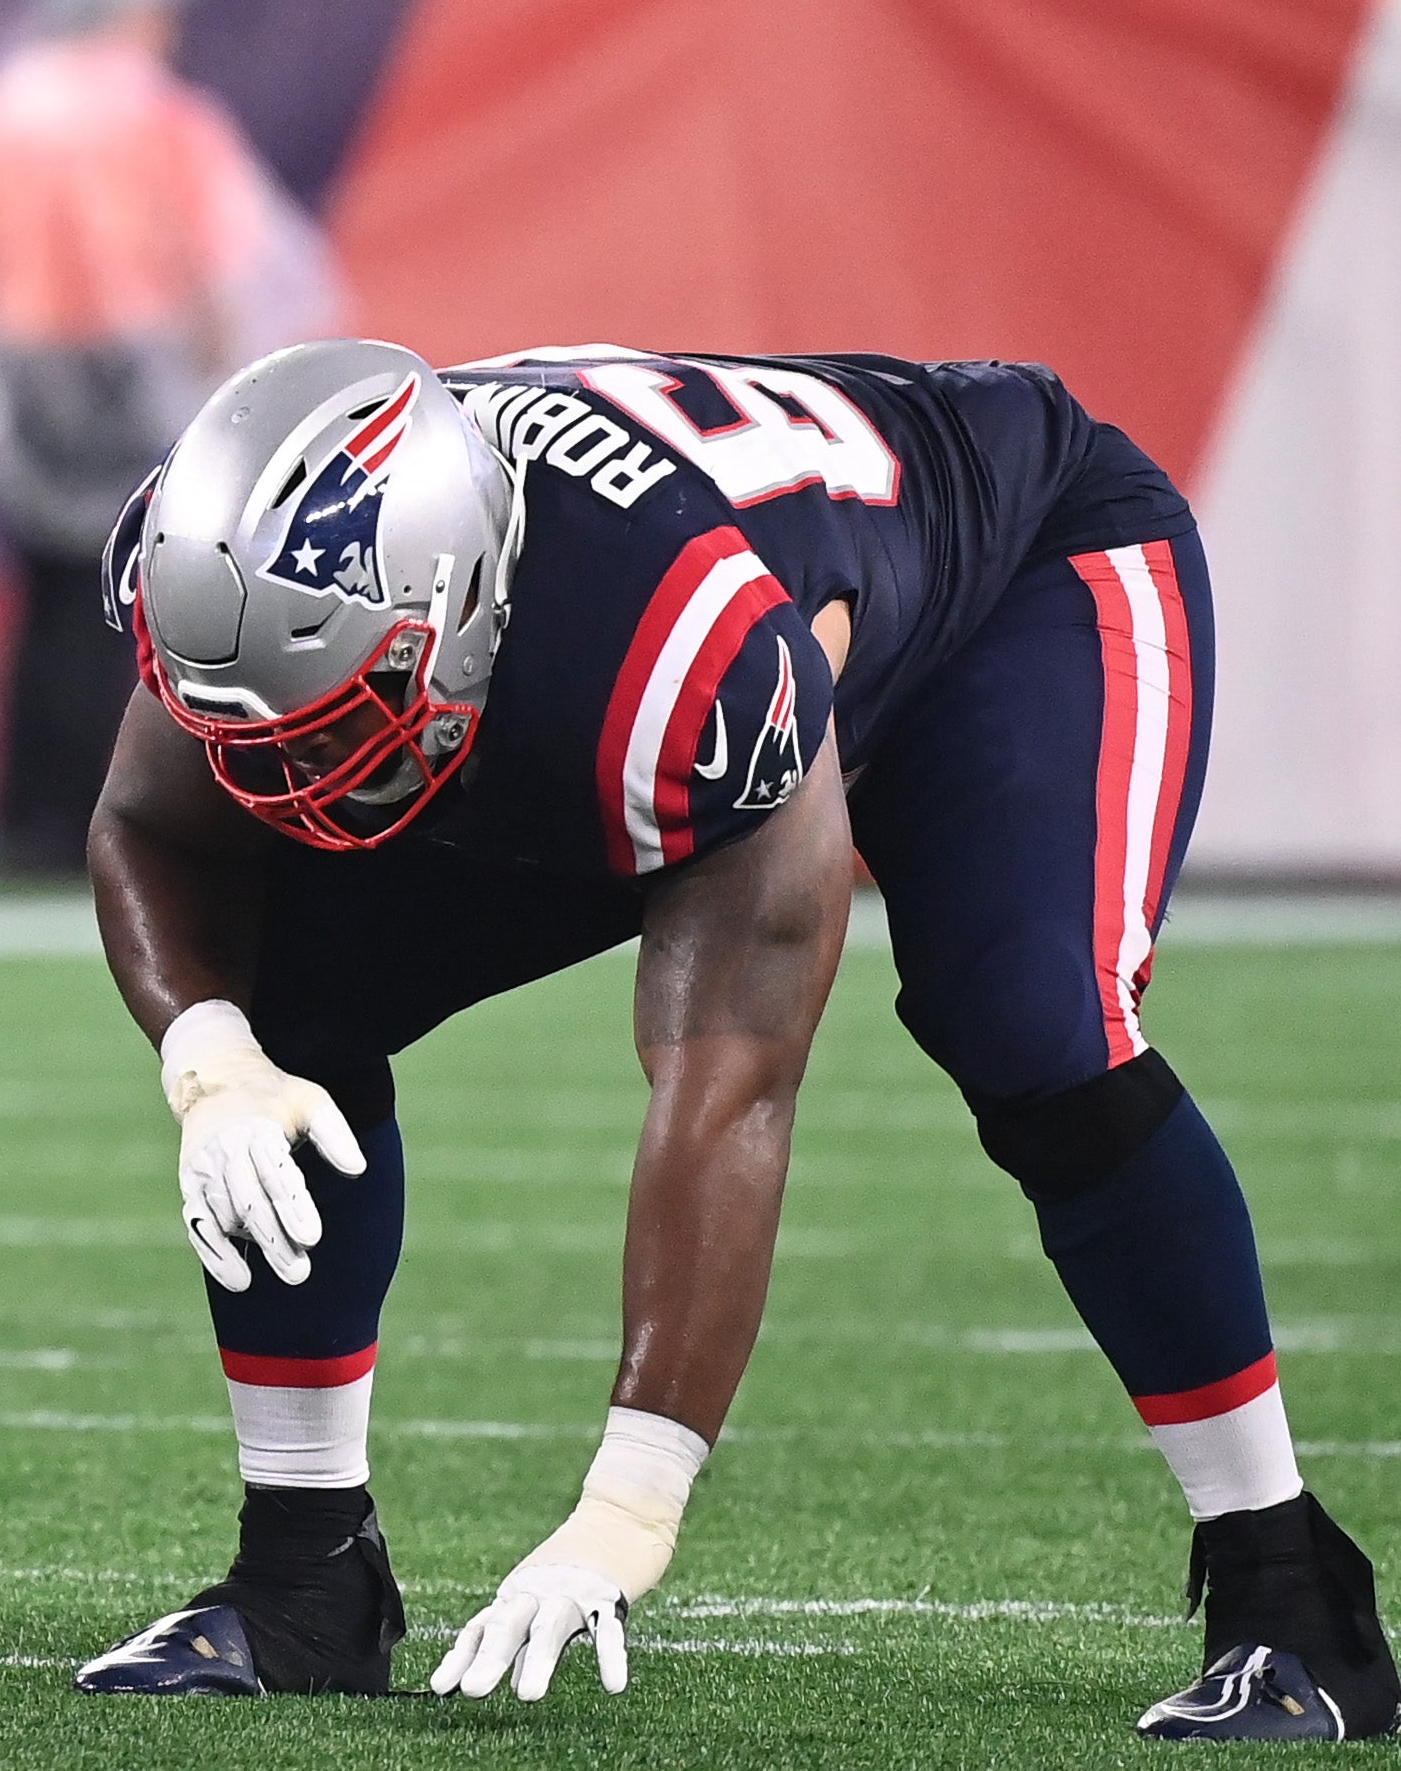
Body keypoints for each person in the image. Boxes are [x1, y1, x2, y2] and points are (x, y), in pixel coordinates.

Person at [70, 340, 1398, 1744]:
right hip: (643, 640)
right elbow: (150, 823)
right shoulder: (266, 563)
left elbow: (729, 1081)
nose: (292, 776)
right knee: (282, 1001)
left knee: (1028, 1023)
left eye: (345, 720)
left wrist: (624, 1504)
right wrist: (208, 1058)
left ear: (455, 609)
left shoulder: (669, 657)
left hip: (1012, 580)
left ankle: (1288, 1588)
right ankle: (302, 1582)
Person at [0, 0, 337, 875]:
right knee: (132, 602)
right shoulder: (163, 116)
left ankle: (24, 823)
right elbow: (233, 264)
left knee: (44, 600)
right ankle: (120, 812)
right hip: (139, 380)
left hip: (22, 384)